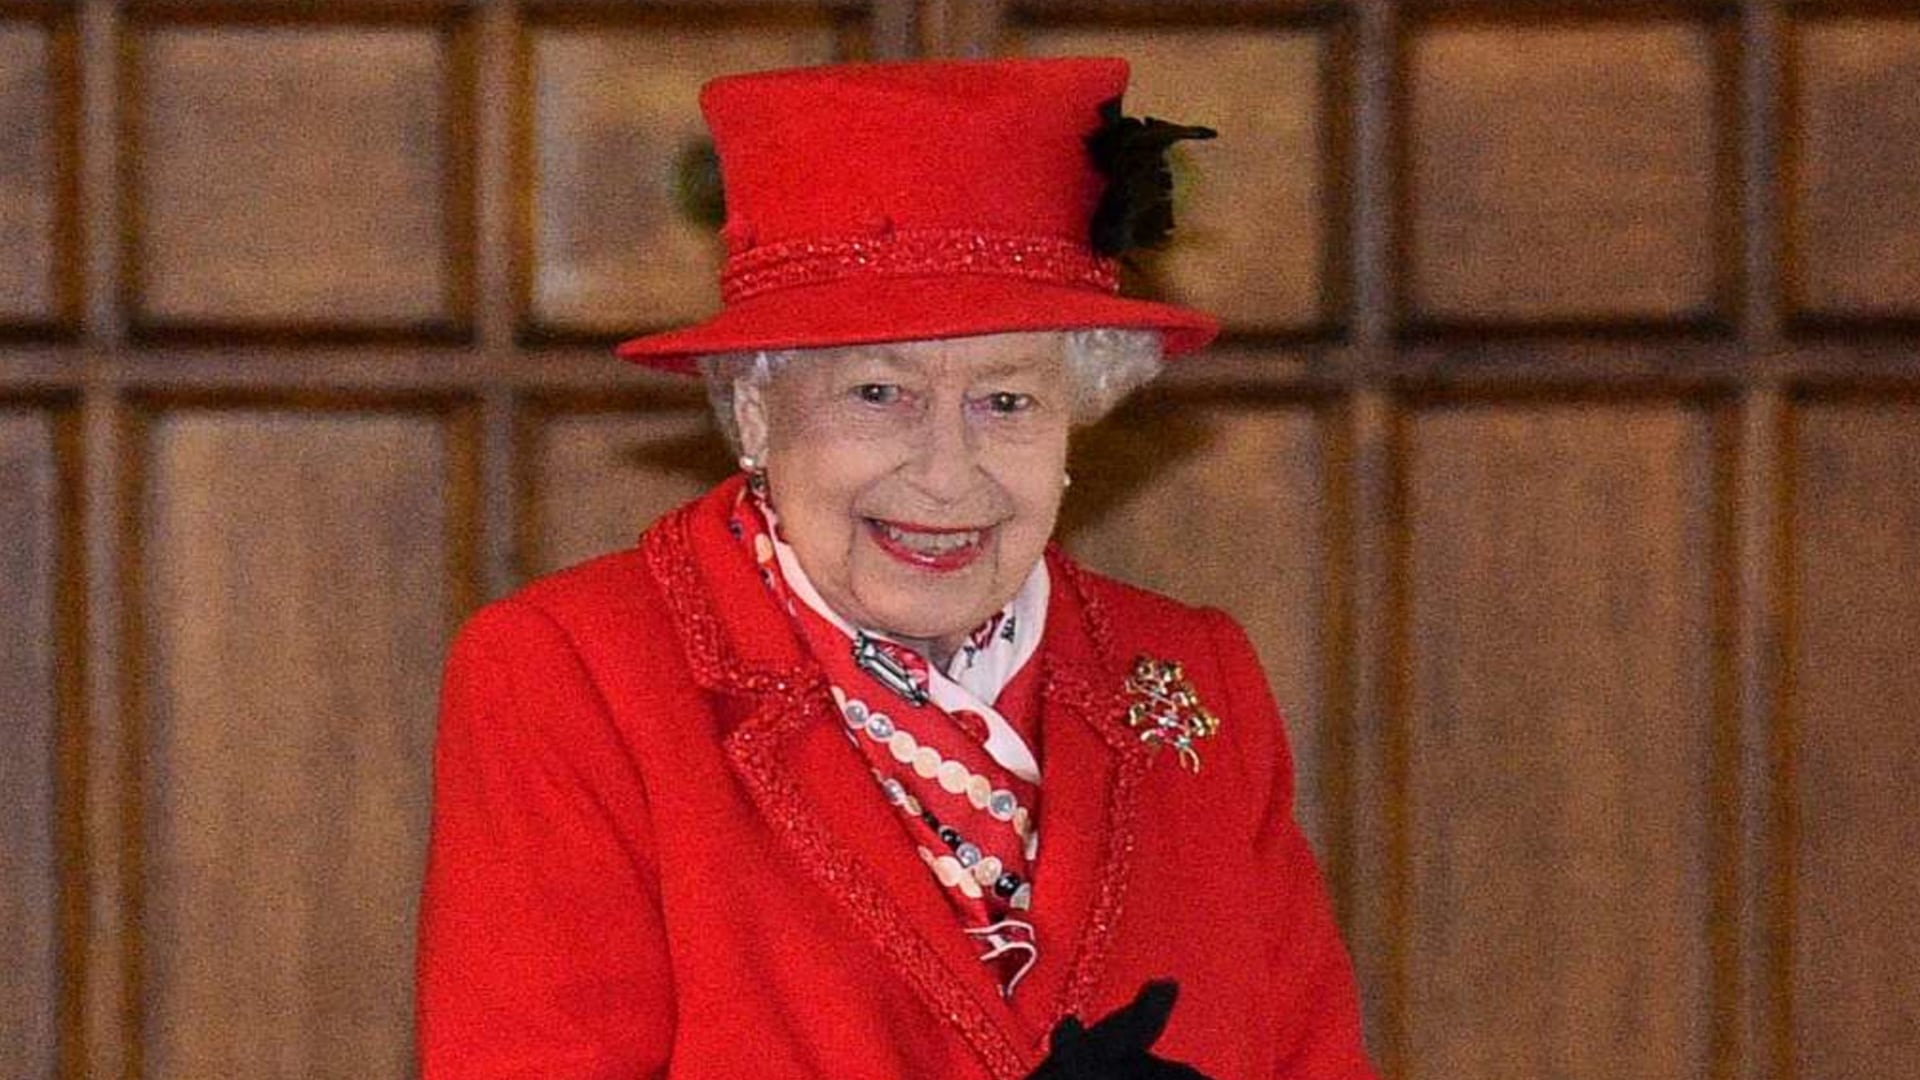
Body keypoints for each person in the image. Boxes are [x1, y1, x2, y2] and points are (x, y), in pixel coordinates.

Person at [417, 57, 1376, 1080]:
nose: (947, 473)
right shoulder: (576, 676)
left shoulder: (1193, 677)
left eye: (1006, 402)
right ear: (755, 410)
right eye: (879, 394)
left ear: (1075, 418)